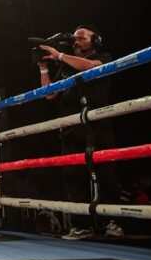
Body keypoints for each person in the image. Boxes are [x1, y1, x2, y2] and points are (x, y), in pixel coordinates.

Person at [38, 24, 117, 202]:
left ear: (95, 41)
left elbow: (89, 66)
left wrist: (59, 55)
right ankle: (79, 226)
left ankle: (113, 221)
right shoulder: (66, 66)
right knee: (73, 175)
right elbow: (49, 94)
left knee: (105, 173)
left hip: (98, 124)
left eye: (82, 38)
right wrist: (43, 68)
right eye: (75, 38)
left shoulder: (103, 57)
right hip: (71, 127)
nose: (76, 41)